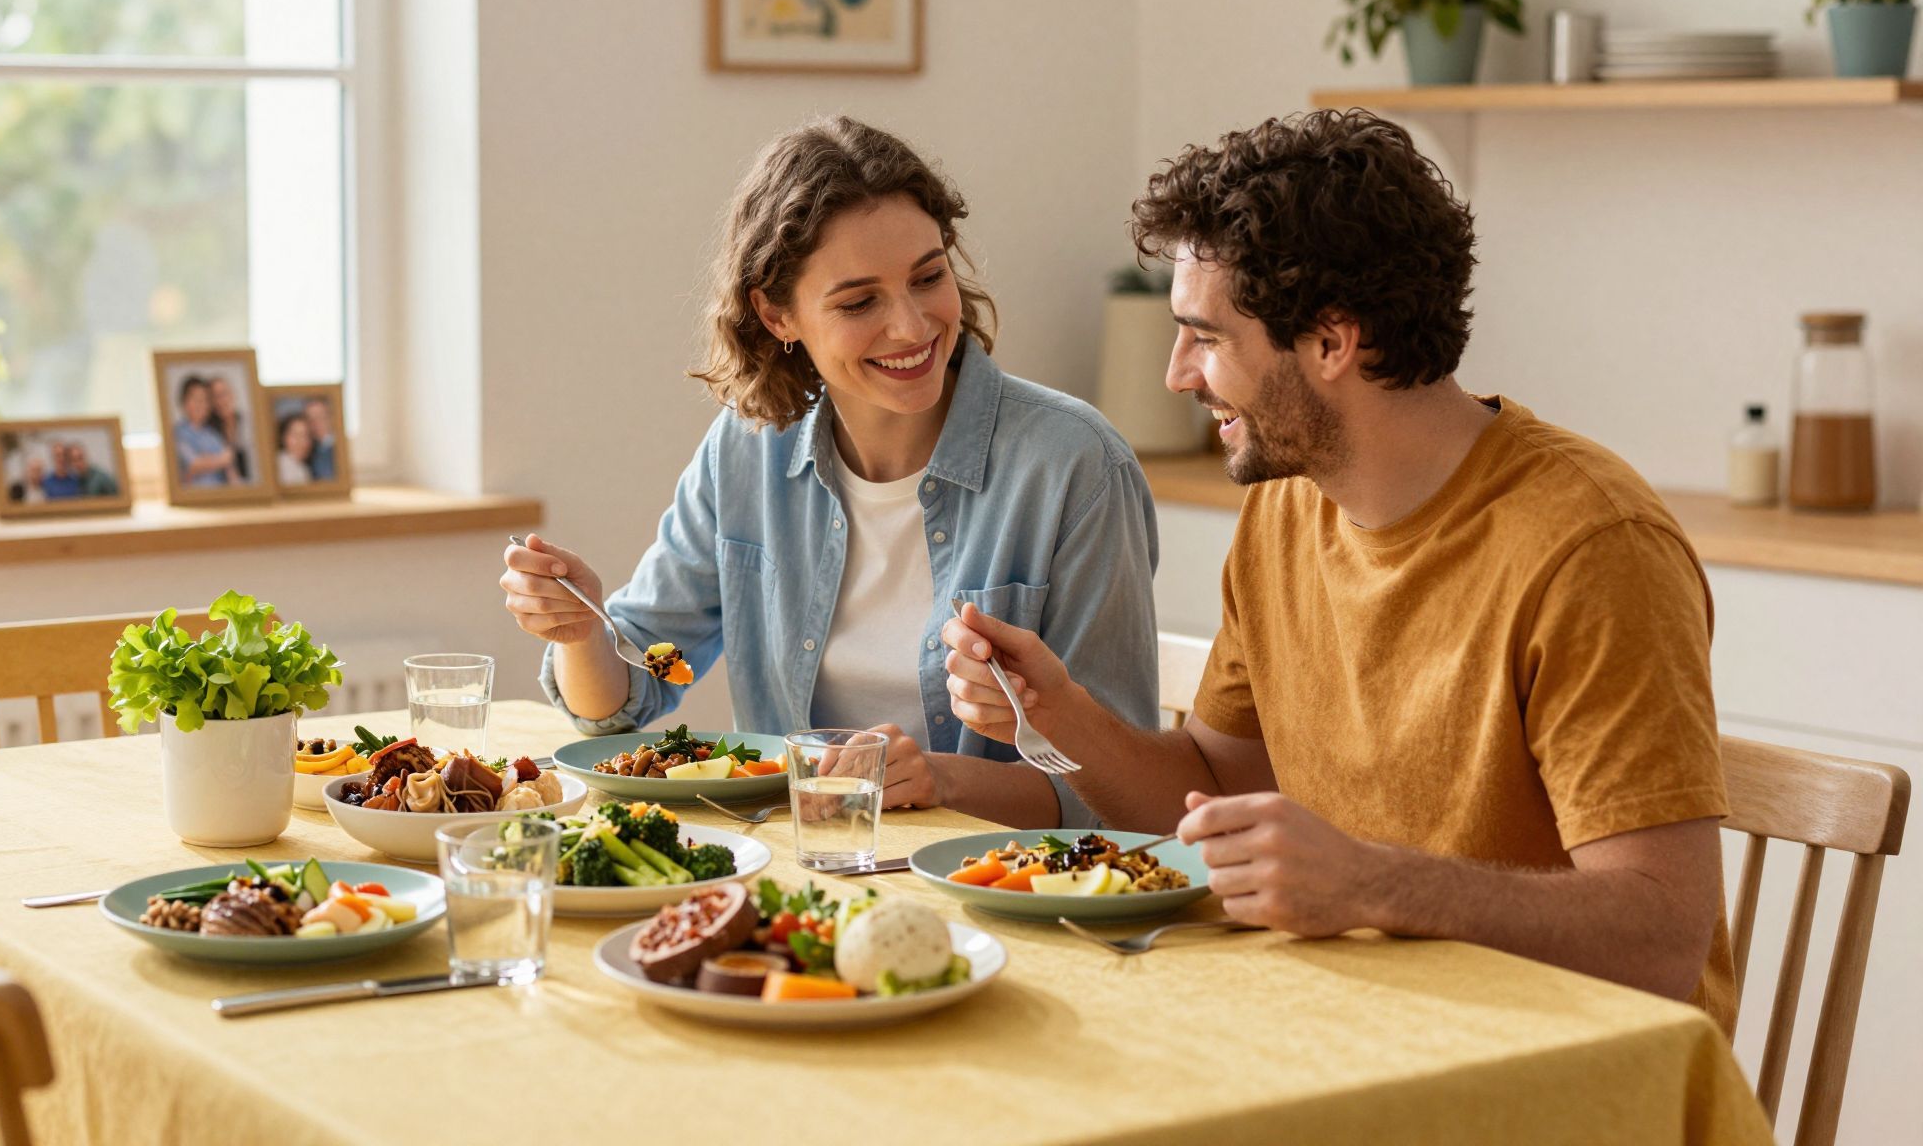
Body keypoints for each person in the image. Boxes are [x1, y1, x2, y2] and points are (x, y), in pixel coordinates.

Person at [939, 110, 1737, 1028]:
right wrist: (1061, 714)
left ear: (1331, 342)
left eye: (1207, 337)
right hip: (1349, 1026)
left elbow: (1662, 937)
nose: (1177, 374)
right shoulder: (1286, 507)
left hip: (1568, 1066)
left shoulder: (1592, 548)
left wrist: (1371, 884)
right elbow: (1218, 788)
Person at [500, 116, 1160, 829]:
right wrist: (580, 633)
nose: (912, 326)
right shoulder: (747, 452)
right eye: (859, 301)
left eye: (928, 277)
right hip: (800, 863)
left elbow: (1118, 796)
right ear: (776, 314)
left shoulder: (1075, 466)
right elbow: (626, 696)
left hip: (990, 881)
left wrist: (942, 779)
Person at [172, 375, 235, 487]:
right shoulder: (178, 433)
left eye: (205, 400)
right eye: (196, 399)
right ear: (184, 402)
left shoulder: (212, 434)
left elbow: (229, 464)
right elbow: (192, 464)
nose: (200, 404)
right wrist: (220, 460)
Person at [209, 374, 252, 483]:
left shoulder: (247, 421)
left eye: (224, 394)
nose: (221, 401)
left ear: (233, 394)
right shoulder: (210, 431)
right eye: (215, 396)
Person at [276, 413, 316, 486]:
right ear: (283, 438)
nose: (301, 441)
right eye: (295, 435)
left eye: (306, 436)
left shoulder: (303, 468)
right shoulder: (279, 465)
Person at [304, 397, 337, 480]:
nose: (315, 423)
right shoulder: (307, 449)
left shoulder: (339, 448)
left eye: (320, 417)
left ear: (331, 417)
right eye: (310, 419)